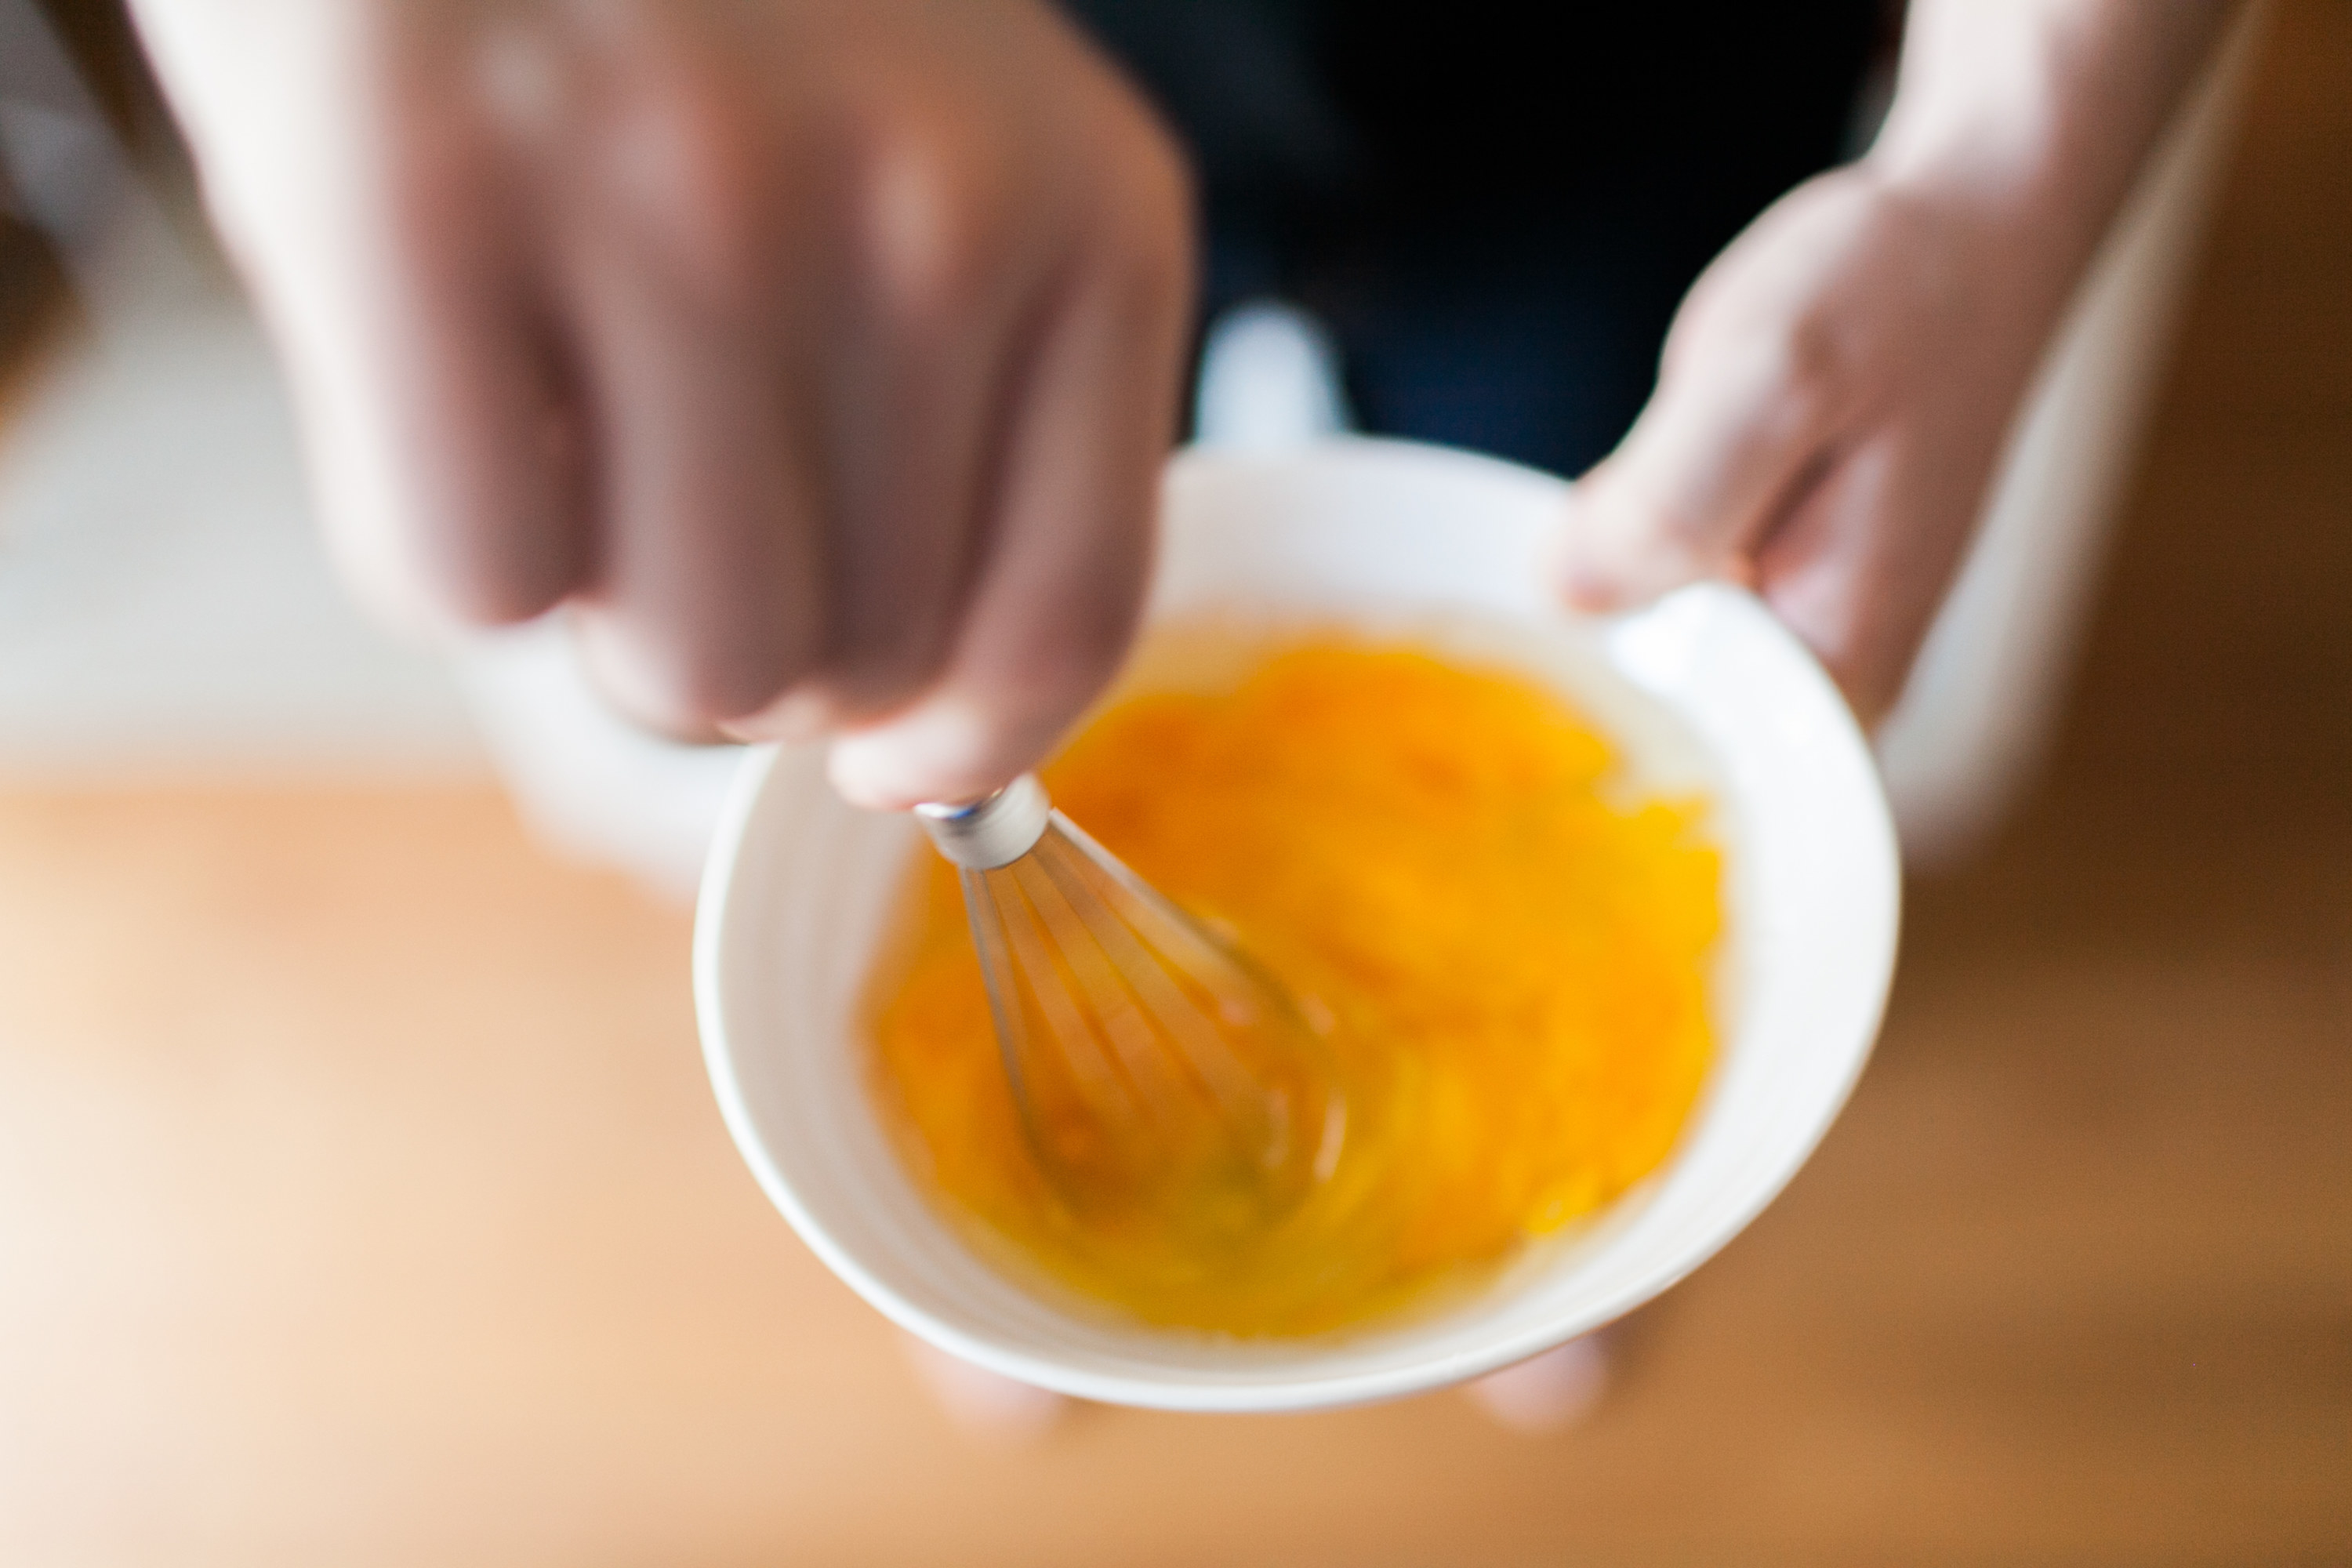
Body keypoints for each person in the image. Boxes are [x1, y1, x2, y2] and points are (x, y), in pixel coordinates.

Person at [118, 0, 2238, 1428]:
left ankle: (1554, 1258)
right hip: (918, 94)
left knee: (1581, 476)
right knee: (945, 553)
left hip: (1623, 66)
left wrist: (1998, 160)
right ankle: (1005, 1268)